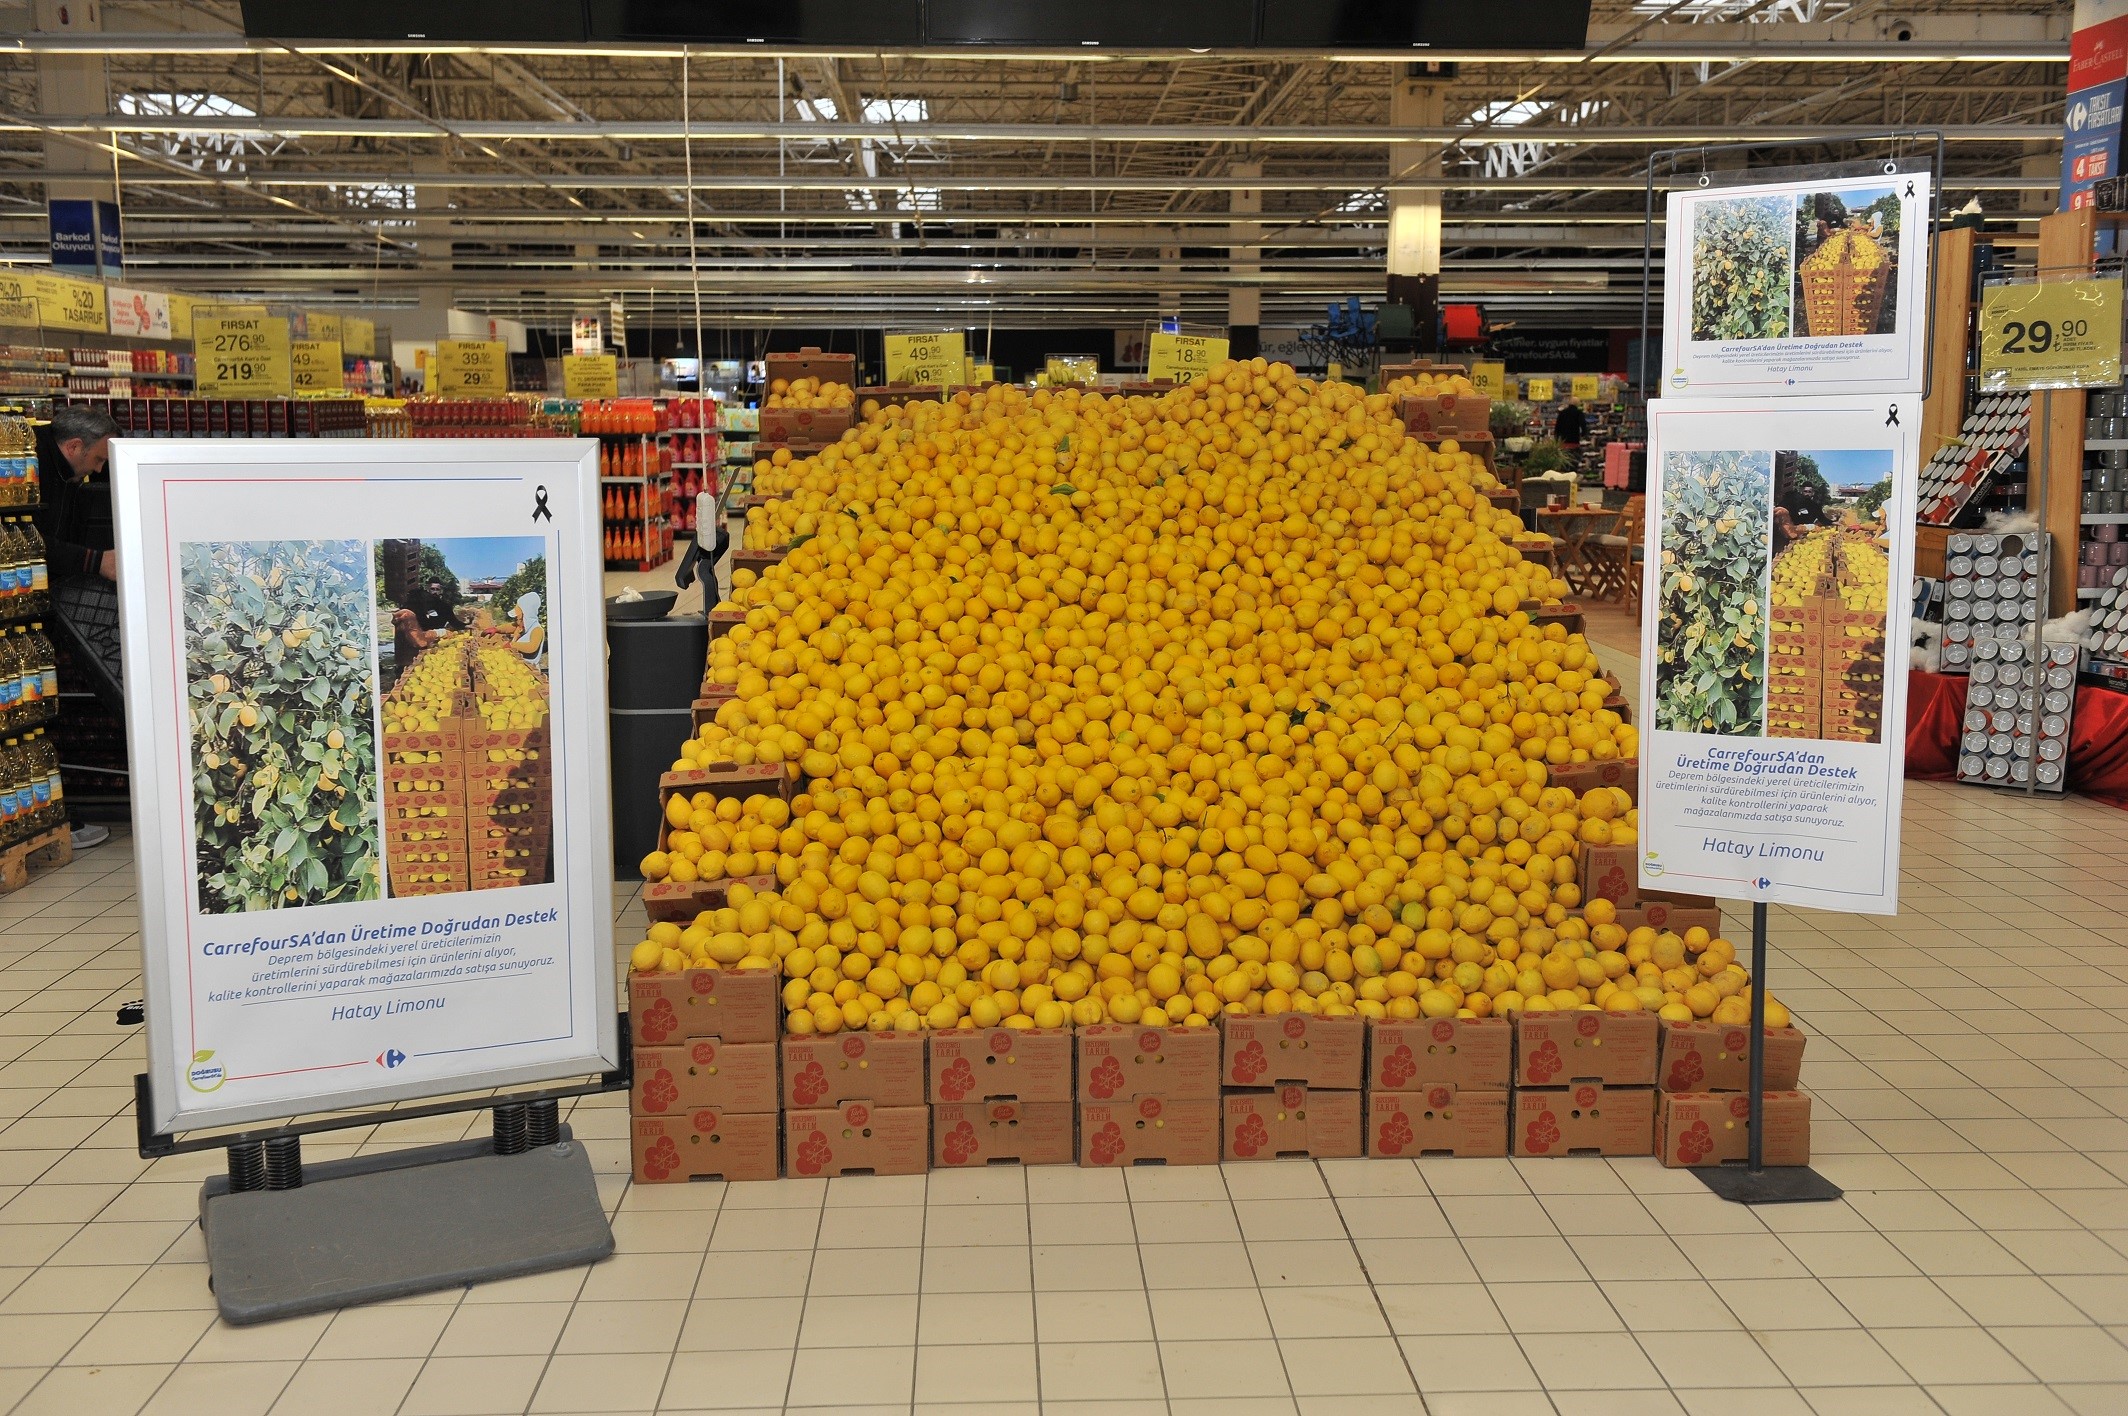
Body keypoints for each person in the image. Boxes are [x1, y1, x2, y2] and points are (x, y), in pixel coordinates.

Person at [30, 406, 119, 851]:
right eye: (98, 460)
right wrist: (94, 560)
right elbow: (27, 544)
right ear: (73, 446)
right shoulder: (30, 471)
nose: (98, 471)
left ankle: (51, 815)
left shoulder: (61, 472)